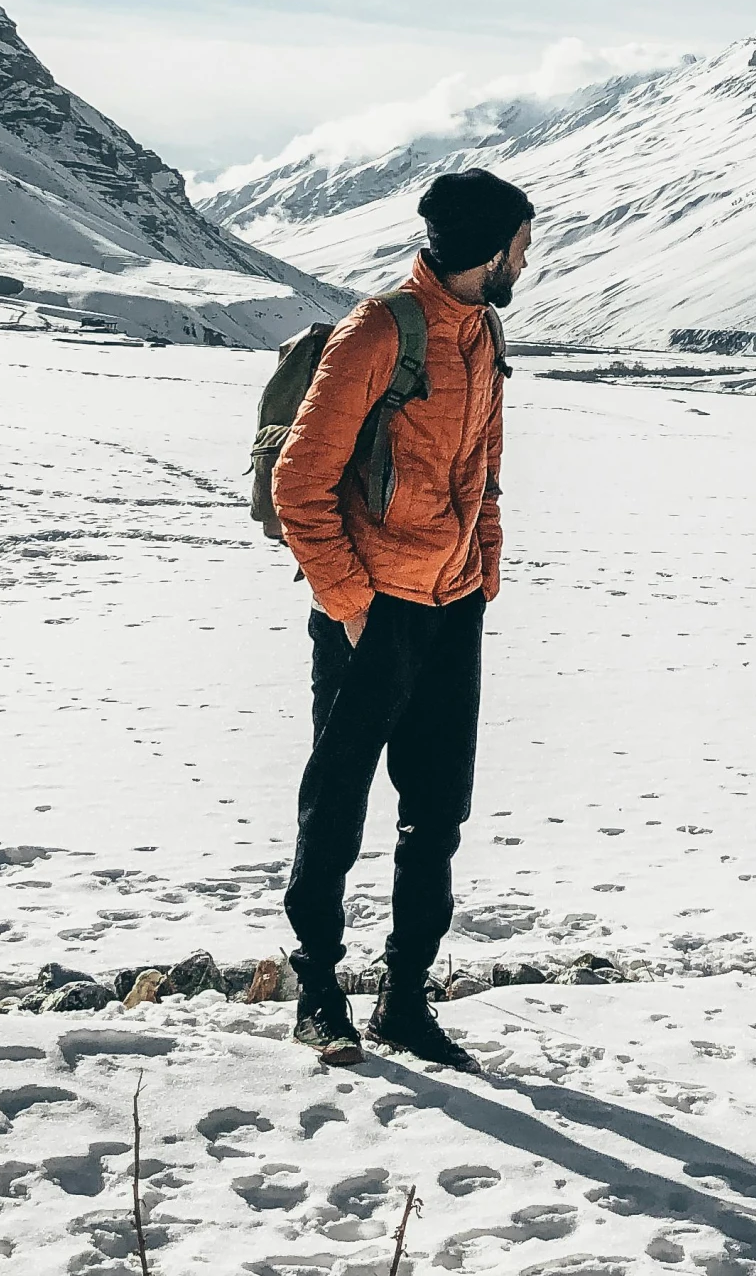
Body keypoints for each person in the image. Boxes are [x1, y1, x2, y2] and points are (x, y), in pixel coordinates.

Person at [272, 167, 535, 1068]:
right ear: (489, 248)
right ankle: (316, 992)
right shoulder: (379, 332)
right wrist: (346, 602)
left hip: (452, 604)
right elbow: (299, 483)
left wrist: (483, 569)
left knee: (436, 812)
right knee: (336, 806)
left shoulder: (484, 329)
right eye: (521, 243)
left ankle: (405, 1001)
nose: (528, 259)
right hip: (371, 611)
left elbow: (483, 471)